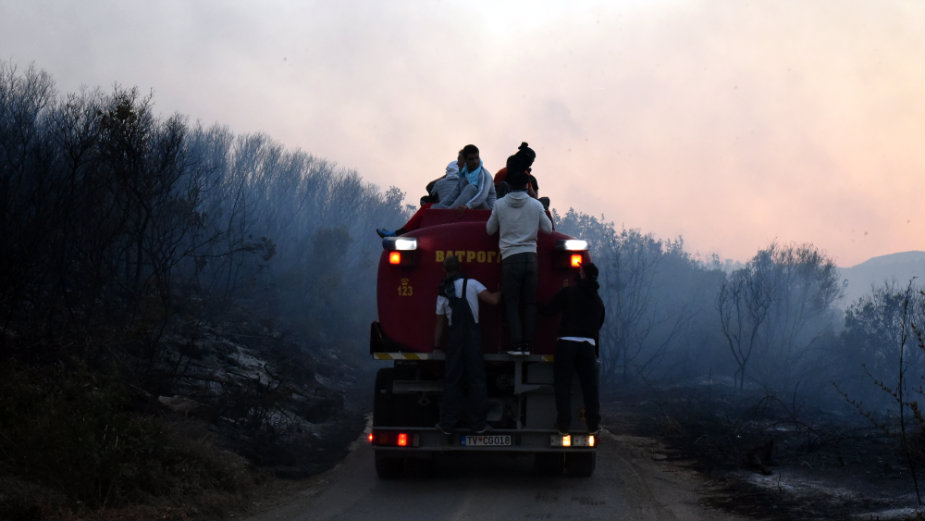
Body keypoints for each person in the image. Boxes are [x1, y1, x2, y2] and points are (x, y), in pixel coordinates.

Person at [485, 156, 553, 356]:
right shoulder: (535, 205)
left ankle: (516, 345)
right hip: (531, 258)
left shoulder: (500, 205)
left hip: (509, 258)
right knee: (529, 303)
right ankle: (527, 345)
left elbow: (490, 230)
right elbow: (548, 229)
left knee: (512, 303)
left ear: (508, 185)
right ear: (526, 185)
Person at [434, 255, 500, 434]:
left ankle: (448, 424)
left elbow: (440, 321)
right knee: (476, 380)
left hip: (454, 340)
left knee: (452, 381)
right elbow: (493, 300)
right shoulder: (472, 284)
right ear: (460, 268)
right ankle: (478, 424)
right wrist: (504, 288)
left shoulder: (443, 290)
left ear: (444, 269)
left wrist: (436, 345)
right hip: (472, 338)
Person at [542, 262, 605, 435]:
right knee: (589, 387)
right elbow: (598, 325)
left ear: (583, 274)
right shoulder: (598, 301)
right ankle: (593, 424)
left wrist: (533, 304)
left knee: (563, 385)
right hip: (588, 347)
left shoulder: (569, 293)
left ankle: (563, 425)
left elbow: (548, 310)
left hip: (567, 344)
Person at [376, 155, 463, 238]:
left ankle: (401, 232)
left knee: (426, 206)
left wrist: (445, 177)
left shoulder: (441, 183)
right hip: (460, 214)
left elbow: (429, 188)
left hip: (444, 213)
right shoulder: (464, 182)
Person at [446, 144, 496, 210]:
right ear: (465, 160)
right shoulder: (464, 175)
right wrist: (438, 207)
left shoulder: (484, 174)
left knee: (471, 188)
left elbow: (482, 195)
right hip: (472, 207)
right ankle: (446, 211)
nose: (475, 162)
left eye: (477, 158)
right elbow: (453, 195)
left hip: (488, 211)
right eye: (471, 159)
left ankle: (449, 213)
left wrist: (468, 206)